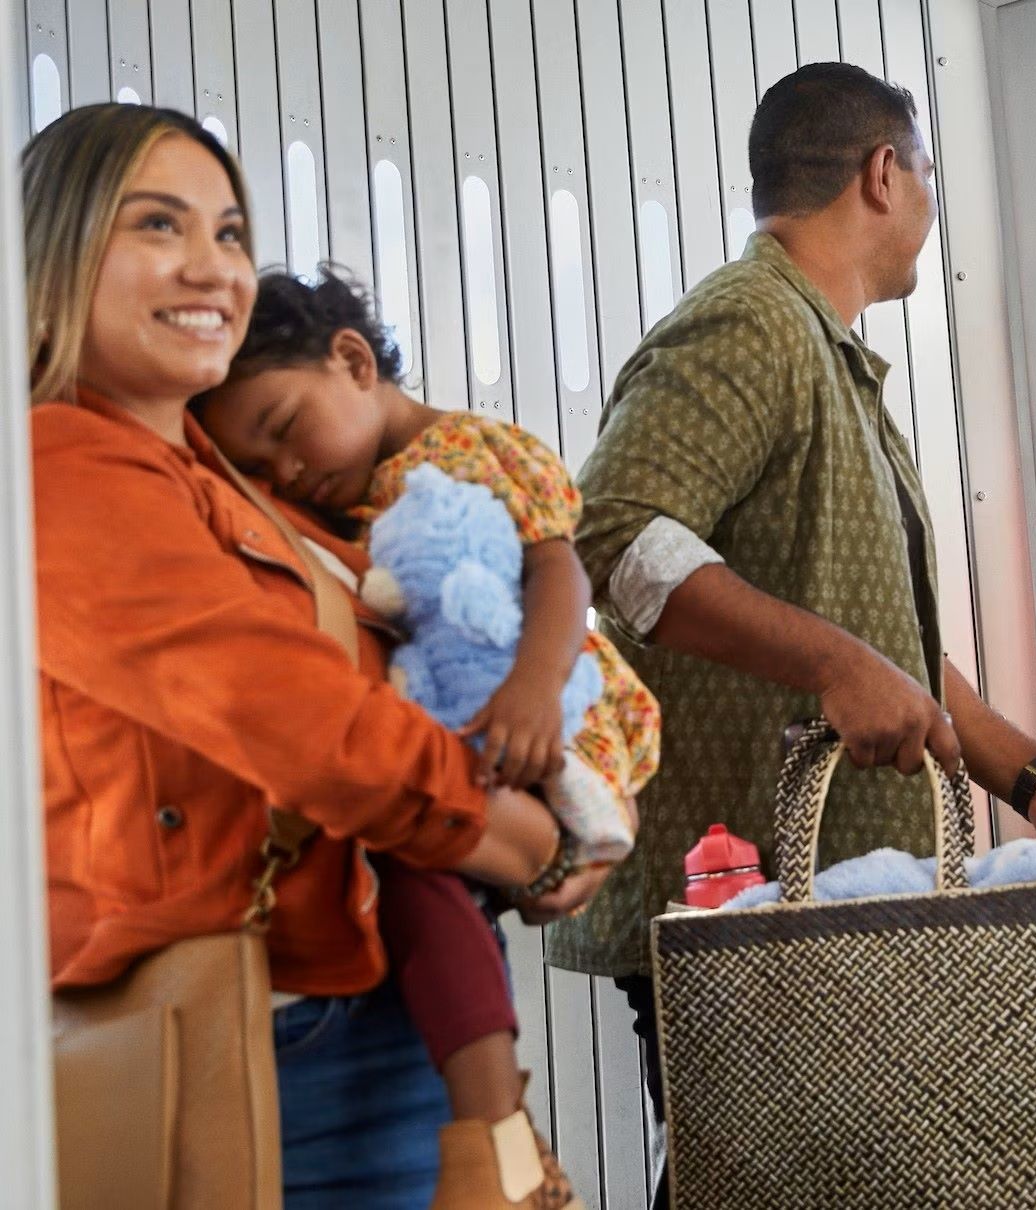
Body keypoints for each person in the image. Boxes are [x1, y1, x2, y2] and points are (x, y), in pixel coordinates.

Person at [548, 62, 1036, 1209]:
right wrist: (830, 663)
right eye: (923, 177)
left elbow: (891, 649)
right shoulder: (749, 321)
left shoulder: (830, 357)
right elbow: (613, 534)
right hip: (747, 906)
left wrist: (1027, 779)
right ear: (884, 173)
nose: (926, 206)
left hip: (833, 901)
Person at [24, 103, 593, 1209]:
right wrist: (518, 833)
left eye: (230, 232)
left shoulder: (220, 474)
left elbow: (400, 642)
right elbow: (302, 719)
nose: (212, 267)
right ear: (60, 251)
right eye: (158, 225)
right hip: (259, 1037)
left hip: (359, 1010)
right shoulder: (67, 468)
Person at [195, 267, 662, 1208]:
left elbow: (559, 573)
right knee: (418, 871)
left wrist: (533, 693)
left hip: (549, 716)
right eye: (260, 466)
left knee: (422, 857)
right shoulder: (341, 502)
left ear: (353, 360)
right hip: (474, 735)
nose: (285, 472)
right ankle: (502, 1133)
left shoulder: (471, 447)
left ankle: (496, 1131)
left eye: (284, 429)